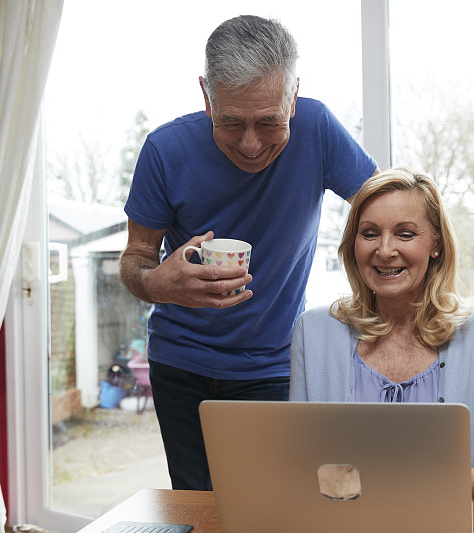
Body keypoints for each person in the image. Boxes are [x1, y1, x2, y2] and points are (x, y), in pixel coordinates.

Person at [120, 15, 377, 490]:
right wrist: (158, 282)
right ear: (206, 96)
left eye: (270, 122)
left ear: (293, 96)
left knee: (276, 505)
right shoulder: (164, 150)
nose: (252, 144)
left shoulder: (317, 128)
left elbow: (385, 203)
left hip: (275, 365)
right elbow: (135, 261)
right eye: (231, 123)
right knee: (199, 505)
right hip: (181, 365)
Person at [289, 167, 474, 499]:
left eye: (405, 234)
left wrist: (420, 478)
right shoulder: (311, 332)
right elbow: (299, 469)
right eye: (369, 233)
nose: (384, 250)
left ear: (436, 244)